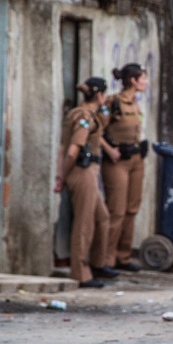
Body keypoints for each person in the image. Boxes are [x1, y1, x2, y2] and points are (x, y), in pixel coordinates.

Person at [53, 78, 118, 287]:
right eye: (104, 95)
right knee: (84, 222)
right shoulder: (83, 117)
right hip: (83, 171)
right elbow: (72, 150)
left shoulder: (85, 114)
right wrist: (62, 176)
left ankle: (97, 264)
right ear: (99, 95)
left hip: (88, 171)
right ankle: (80, 273)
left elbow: (63, 149)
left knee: (102, 217)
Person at [101, 63, 148, 273]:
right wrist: (109, 150)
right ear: (133, 81)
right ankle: (105, 260)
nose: (146, 82)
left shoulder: (135, 102)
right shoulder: (113, 102)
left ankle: (123, 256)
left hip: (136, 159)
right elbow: (96, 131)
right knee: (116, 211)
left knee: (131, 209)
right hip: (117, 161)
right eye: (143, 78)